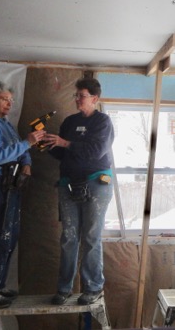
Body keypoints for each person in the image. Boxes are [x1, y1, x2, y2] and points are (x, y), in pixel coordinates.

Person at [0, 80, 45, 308]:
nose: (9, 103)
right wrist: (28, 143)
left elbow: (19, 148)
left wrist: (27, 162)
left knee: (8, 237)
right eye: (5, 99)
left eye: (11, 100)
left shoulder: (5, 124)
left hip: (10, 185)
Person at [44, 77, 114, 306]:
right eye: (76, 95)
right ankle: (64, 289)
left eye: (81, 96)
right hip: (69, 183)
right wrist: (48, 145)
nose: (77, 99)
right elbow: (64, 154)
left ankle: (93, 287)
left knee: (91, 236)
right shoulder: (70, 122)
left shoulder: (102, 122)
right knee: (69, 237)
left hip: (96, 183)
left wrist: (65, 144)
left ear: (95, 99)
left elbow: (95, 151)